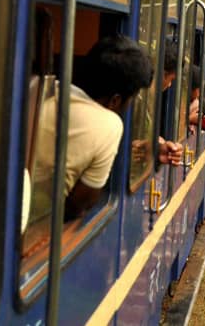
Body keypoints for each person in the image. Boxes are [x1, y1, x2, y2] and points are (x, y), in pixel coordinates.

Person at [34, 35, 182, 221]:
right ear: (115, 100)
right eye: (131, 99)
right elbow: (80, 204)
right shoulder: (108, 124)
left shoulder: (45, 92)